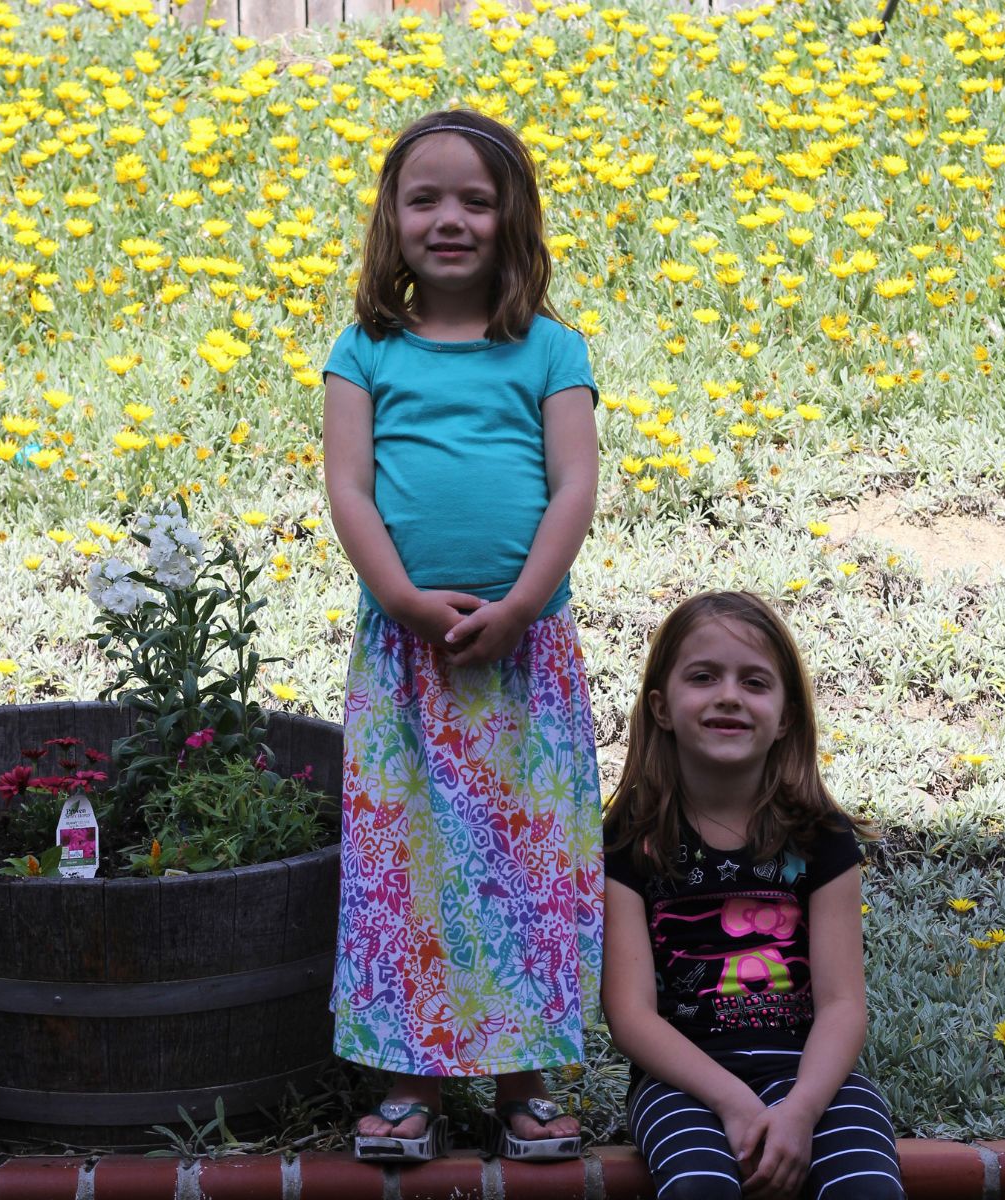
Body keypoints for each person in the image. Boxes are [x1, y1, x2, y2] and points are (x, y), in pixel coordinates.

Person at [322, 108, 603, 1163]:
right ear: (391, 220)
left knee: (524, 868)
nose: (449, 219)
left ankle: (523, 1082)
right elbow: (348, 488)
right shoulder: (365, 351)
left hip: (523, 657)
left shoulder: (550, 350)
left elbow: (575, 483)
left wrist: (524, 601)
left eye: (475, 201)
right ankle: (407, 1083)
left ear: (513, 220)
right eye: (424, 198)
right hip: (408, 660)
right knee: (409, 870)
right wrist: (398, 595)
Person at [601, 591, 905, 1199]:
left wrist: (800, 1111)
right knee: (699, 1188)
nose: (729, 696)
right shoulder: (630, 839)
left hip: (814, 1078)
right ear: (661, 707)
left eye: (755, 682)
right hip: (683, 1085)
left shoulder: (820, 836)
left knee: (866, 1187)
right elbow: (630, 1016)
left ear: (786, 715)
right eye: (704, 676)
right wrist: (734, 1101)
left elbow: (844, 1005)